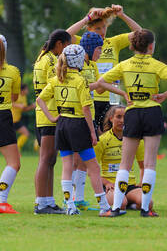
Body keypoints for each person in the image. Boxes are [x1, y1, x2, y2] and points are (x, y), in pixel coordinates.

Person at [96, 29, 167, 217]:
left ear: (133, 46)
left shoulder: (125, 64)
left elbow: (102, 82)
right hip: (152, 111)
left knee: (125, 165)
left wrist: (123, 93)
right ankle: (145, 209)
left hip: (133, 112)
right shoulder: (156, 64)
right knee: (150, 163)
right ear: (151, 46)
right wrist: (164, 95)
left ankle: (114, 209)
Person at [36, 44, 112, 216]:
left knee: (66, 166)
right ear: (78, 60)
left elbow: (40, 99)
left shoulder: (56, 79)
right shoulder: (80, 81)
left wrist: (51, 117)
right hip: (78, 125)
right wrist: (93, 132)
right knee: (93, 167)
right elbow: (86, 109)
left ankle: (70, 206)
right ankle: (104, 207)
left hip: (62, 124)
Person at [67, 4, 142, 132]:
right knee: (94, 139)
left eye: (104, 27)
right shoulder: (83, 42)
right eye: (97, 28)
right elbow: (65, 35)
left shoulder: (114, 42)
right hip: (90, 98)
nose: (102, 31)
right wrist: (87, 18)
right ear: (89, 29)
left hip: (112, 98)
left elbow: (140, 34)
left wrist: (122, 15)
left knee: (112, 138)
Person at [33, 29, 71, 214]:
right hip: (48, 114)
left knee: (50, 159)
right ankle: (40, 202)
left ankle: (48, 201)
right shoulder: (49, 60)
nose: (67, 50)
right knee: (46, 158)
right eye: (67, 46)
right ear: (60, 44)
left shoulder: (43, 56)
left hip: (46, 113)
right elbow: (56, 84)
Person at [95, 105, 155, 212]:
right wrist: (107, 183)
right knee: (120, 204)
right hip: (111, 186)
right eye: (118, 117)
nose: (122, 120)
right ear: (111, 118)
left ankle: (131, 203)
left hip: (130, 185)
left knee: (148, 203)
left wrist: (141, 184)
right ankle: (123, 201)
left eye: (125, 117)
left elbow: (143, 167)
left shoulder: (136, 140)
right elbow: (92, 171)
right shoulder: (102, 140)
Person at [70, 31, 103, 211]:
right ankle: (73, 198)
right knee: (76, 159)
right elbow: (77, 86)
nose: (100, 53)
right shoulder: (77, 64)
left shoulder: (93, 65)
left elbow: (98, 89)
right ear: (90, 48)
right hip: (78, 115)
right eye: (99, 49)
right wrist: (100, 84)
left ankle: (79, 198)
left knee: (84, 158)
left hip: (90, 112)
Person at [0, 35, 21, 213]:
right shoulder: (13, 71)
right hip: (3, 116)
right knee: (13, 163)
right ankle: (1, 201)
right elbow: (14, 98)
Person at [11, 83, 36, 152]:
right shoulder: (16, 95)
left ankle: (17, 149)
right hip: (10, 119)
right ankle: (16, 149)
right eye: (26, 89)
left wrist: (32, 106)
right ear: (22, 90)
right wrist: (18, 105)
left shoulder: (24, 97)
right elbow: (10, 103)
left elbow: (24, 109)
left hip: (16, 120)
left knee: (26, 133)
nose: (28, 91)